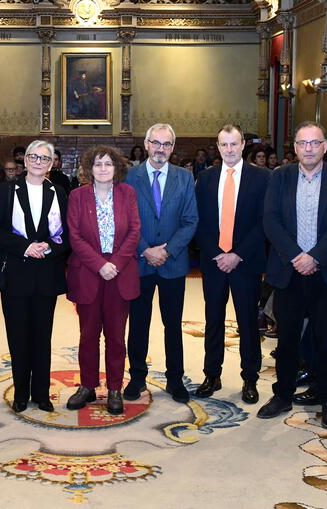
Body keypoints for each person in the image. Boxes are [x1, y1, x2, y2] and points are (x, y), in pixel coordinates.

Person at [257, 121, 327, 429]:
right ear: (295, 148)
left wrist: (314, 257)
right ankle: (282, 394)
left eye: (314, 143)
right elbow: (270, 220)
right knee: (286, 339)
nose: (308, 149)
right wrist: (297, 257)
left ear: (325, 147)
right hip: (289, 270)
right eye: (302, 143)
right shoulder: (280, 177)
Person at [0, 140, 69, 413]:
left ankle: (41, 394)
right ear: (26, 160)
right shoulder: (10, 189)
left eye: (44, 158)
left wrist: (50, 247)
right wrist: (25, 246)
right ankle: (21, 393)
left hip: (46, 273)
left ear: (51, 163)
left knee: (42, 336)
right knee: (19, 336)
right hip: (17, 274)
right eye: (33, 156)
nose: (38, 161)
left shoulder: (59, 191)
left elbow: (68, 236)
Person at [194, 124, 270, 404]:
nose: (229, 149)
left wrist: (237, 254)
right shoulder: (206, 178)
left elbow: (264, 222)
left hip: (245, 262)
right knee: (213, 320)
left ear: (243, 145)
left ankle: (250, 377)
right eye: (224, 145)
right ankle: (211, 374)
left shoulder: (262, 178)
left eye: (234, 144)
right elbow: (198, 220)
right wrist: (217, 253)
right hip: (214, 261)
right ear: (218, 146)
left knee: (247, 322)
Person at [123, 123, 197, 404]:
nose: (160, 149)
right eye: (156, 143)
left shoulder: (184, 178)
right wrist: (145, 250)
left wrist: (168, 250)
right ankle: (137, 378)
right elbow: (126, 221)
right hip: (139, 263)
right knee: (138, 323)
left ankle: (175, 379)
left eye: (166, 144)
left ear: (173, 148)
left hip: (172, 263)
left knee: (172, 324)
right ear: (146, 143)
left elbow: (191, 220)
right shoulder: (129, 177)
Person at [65, 145, 140, 415]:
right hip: (88, 272)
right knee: (88, 335)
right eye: (98, 164)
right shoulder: (77, 196)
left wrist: (115, 264)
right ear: (89, 169)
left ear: (116, 167)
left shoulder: (128, 193)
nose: (103, 169)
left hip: (120, 274)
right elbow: (74, 235)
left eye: (108, 164)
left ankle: (115, 388)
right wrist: (100, 265)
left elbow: (134, 231)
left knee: (116, 337)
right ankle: (87, 386)